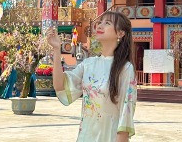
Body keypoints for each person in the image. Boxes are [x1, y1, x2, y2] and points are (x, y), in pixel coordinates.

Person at [47, 11, 137, 141]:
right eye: (100, 22)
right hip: (87, 135)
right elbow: (59, 85)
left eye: (107, 23)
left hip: (109, 136)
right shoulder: (88, 64)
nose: (99, 26)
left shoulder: (125, 68)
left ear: (120, 33)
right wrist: (56, 49)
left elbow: (126, 113)